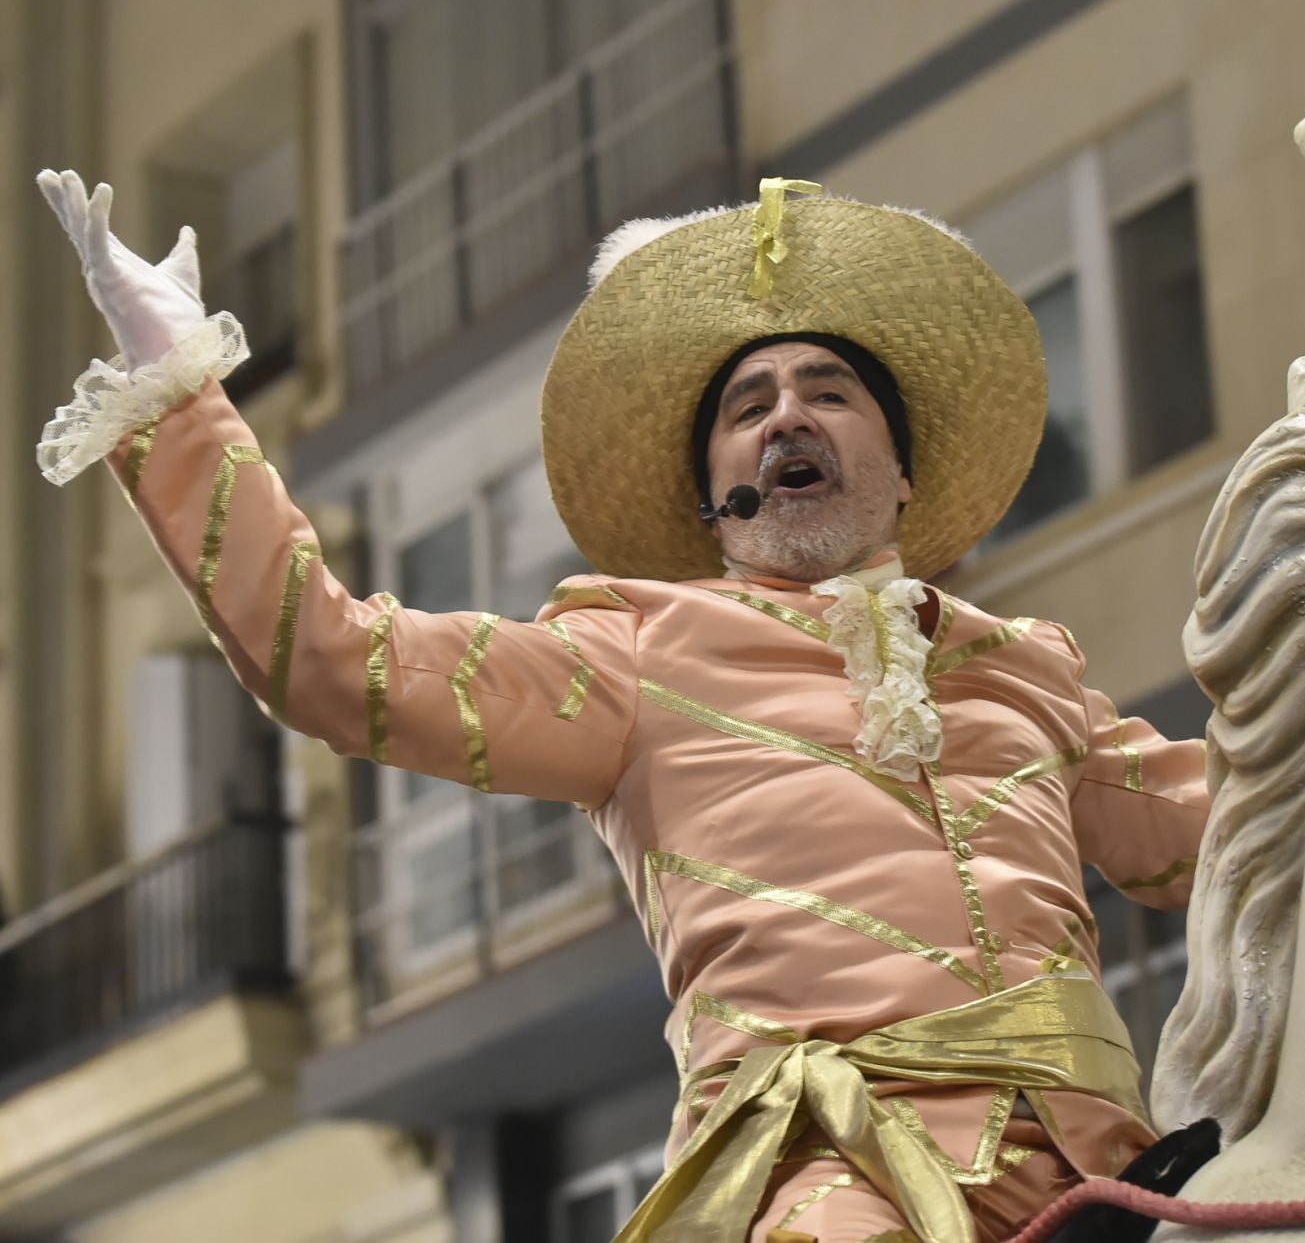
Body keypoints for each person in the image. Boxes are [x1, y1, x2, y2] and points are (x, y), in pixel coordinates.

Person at [34, 170, 1210, 1243]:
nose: (786, 415)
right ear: (719, 501)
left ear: (901, 468)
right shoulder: (638, 653)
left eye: (829, 389)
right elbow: (338, 663)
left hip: (1106, 1173)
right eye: (748, 405)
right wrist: (180, 394)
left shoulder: (1030, 668)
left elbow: (1237, 828)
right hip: (835, 1181)